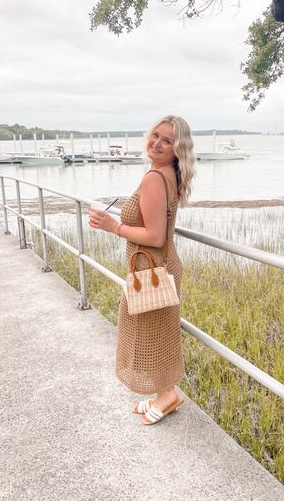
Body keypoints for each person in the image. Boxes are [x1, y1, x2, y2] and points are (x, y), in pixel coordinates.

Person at [88, 115, 195, 425]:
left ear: (178, 149)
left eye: (167, 141)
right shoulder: (168, 174)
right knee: (157, 333)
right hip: (161, 267)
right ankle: (165, 393)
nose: (157, 143)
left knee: (152, 334)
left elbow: (155, 237)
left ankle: (168, 395)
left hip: (152, 268)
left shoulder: (154, 178)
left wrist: (114, 226)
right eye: (155, 135)